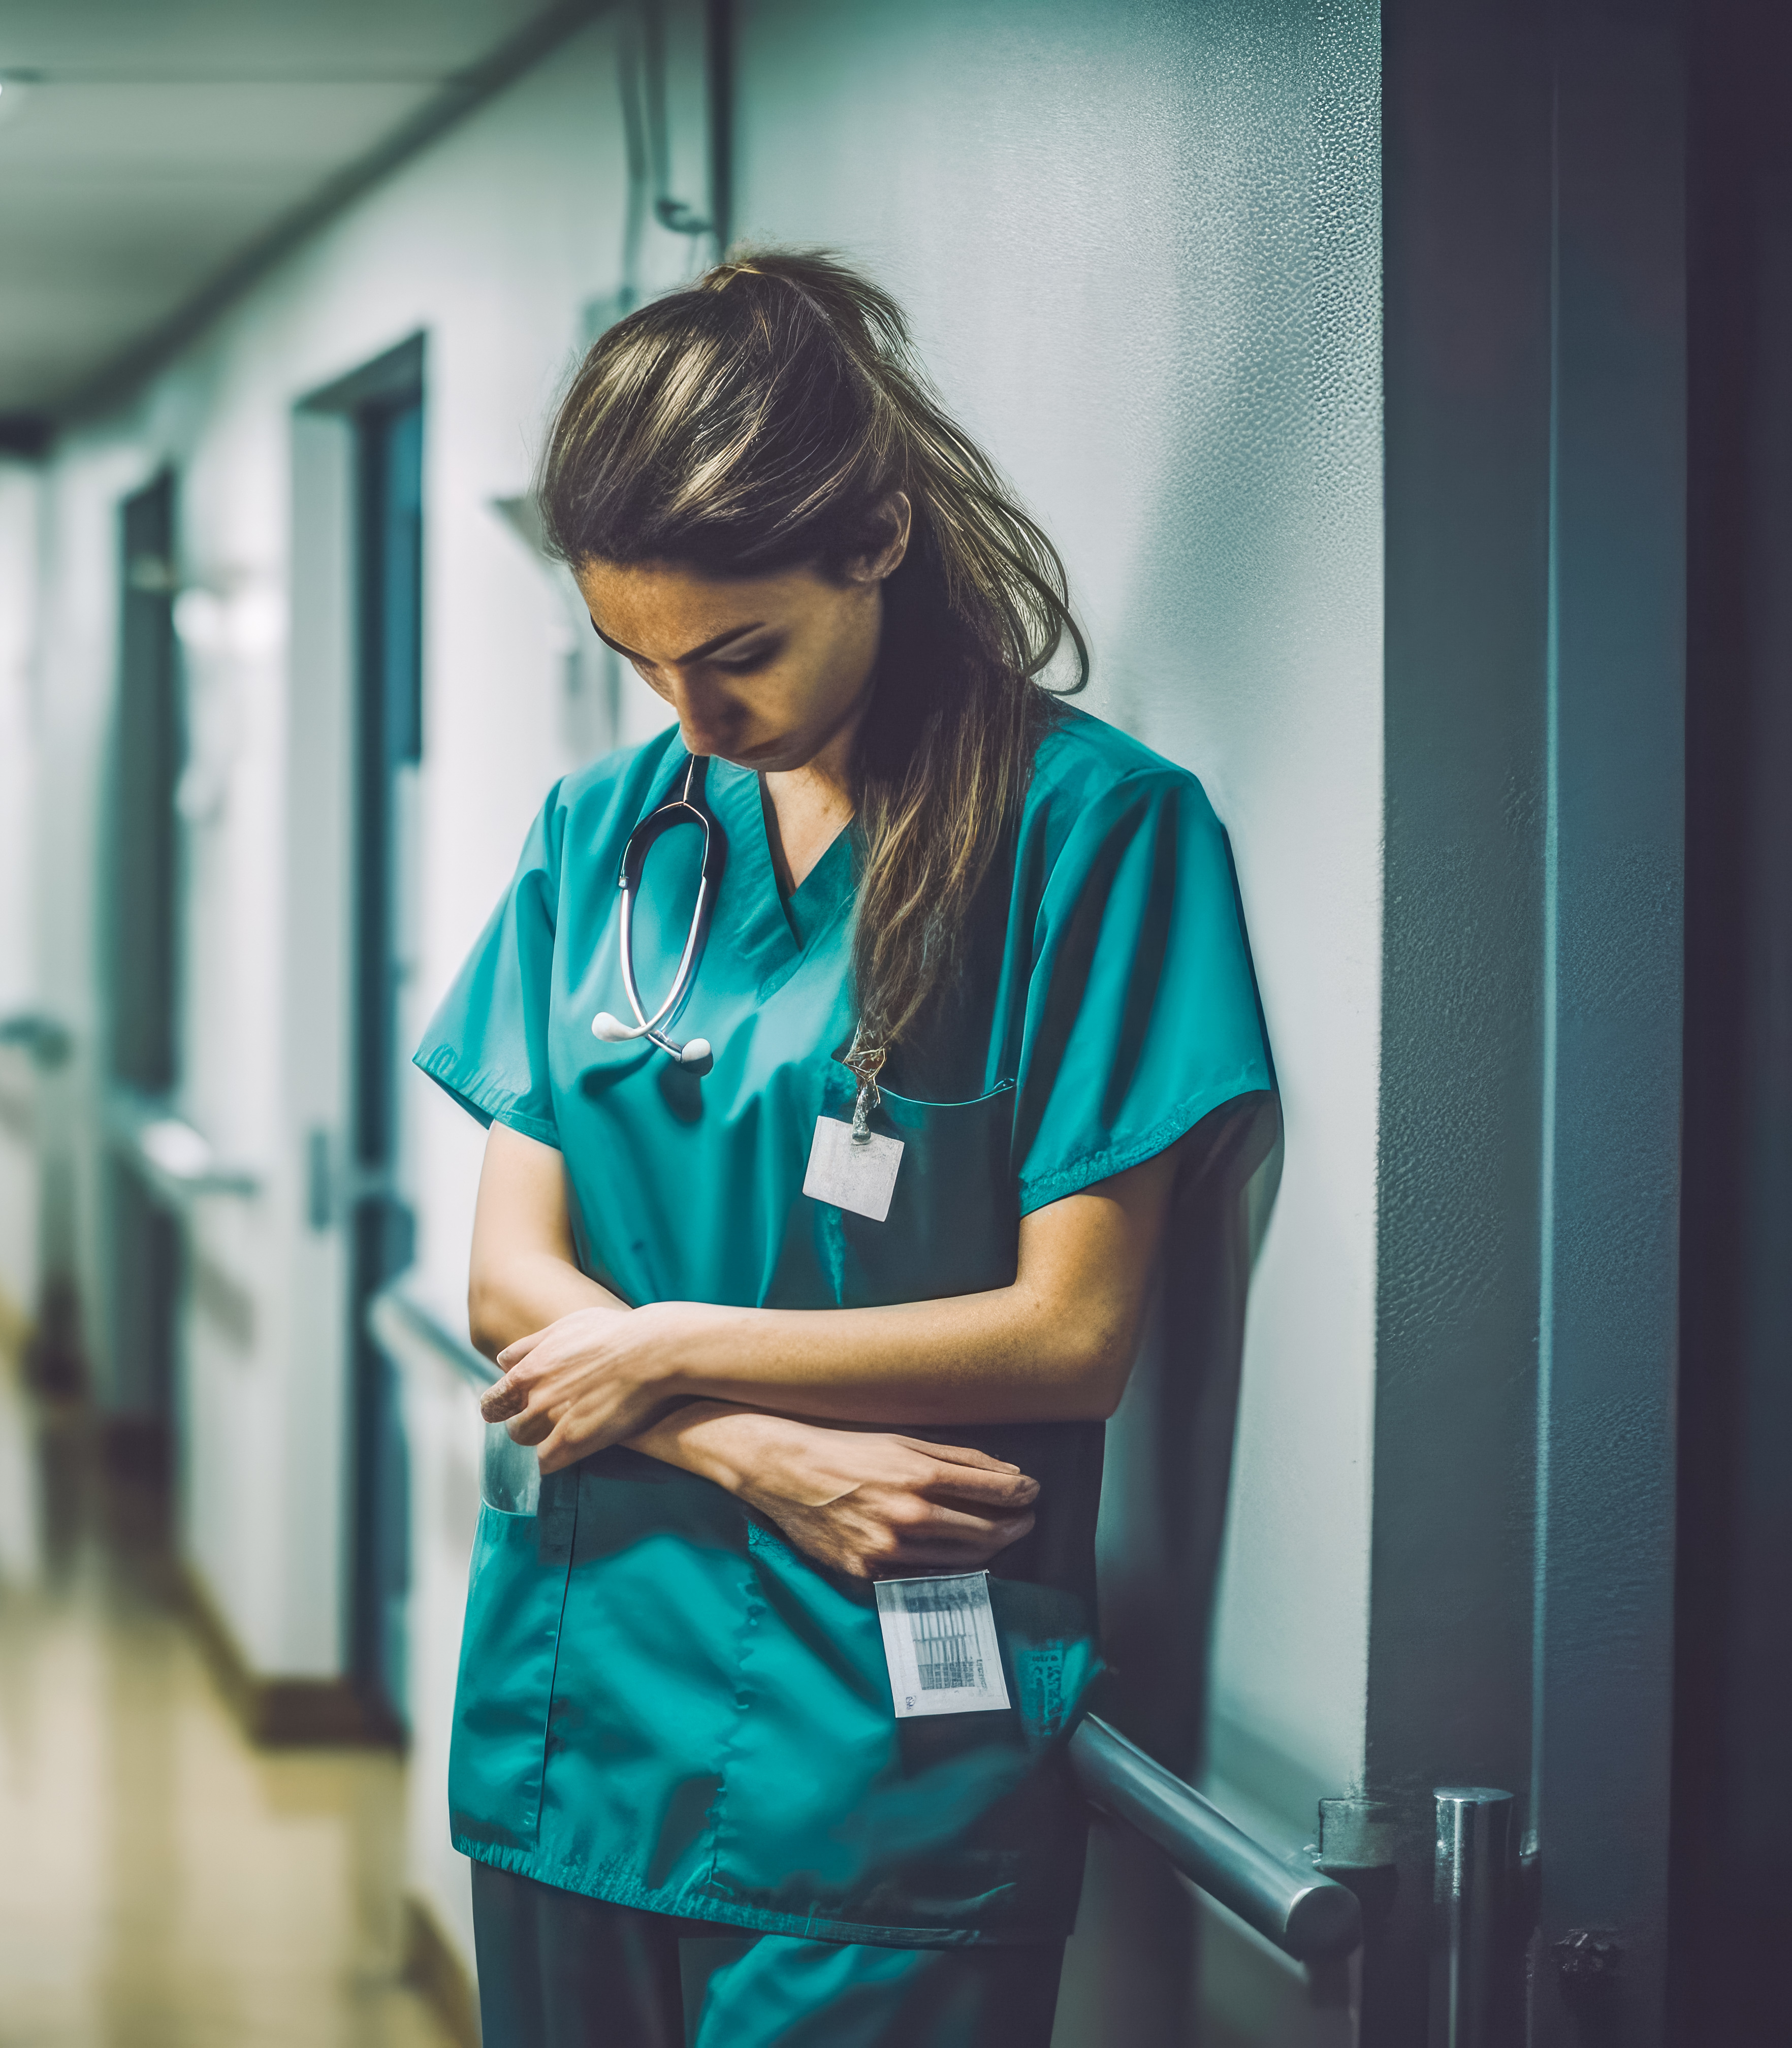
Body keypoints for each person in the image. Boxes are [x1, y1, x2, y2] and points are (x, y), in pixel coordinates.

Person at [414, 250, 1276, 2046]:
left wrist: (652, 1346)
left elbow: (1064, 1336)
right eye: (638, 661)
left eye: (736, 652)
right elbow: (508, 1280)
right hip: (582, 1704)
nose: (693, 723)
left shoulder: (1089, 832)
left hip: (889, 1750)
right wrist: (752, 1449)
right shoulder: (604, 833)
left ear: (872, 540)